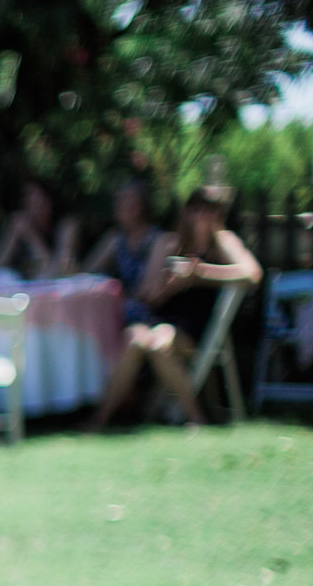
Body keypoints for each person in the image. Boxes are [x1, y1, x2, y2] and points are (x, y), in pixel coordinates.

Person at [88, 184, 263, 429]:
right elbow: (149, 295)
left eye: (210, 210)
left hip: (197, 327)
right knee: (133, 337)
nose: (202, 216)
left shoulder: (223, 241)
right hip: (164, 317)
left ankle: (195, 418)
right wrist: (171, 286)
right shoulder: (172, 242)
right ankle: (99, 420)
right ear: (187, 211)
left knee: (159, 343)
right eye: (196, 208)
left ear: (219, 214)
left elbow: (252, 274)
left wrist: (200, 273)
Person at [83, 178, 163, 325]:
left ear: (143, 205)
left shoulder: (159, 240)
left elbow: (149, 292)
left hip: (149, 316)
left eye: (128, 199)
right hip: (119, 308)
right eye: (119, 199)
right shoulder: (115, 239)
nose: (121, 204)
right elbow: (86, 274)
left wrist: (114, 297)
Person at [0, 178, 79, 280]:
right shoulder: (19, 228)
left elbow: (60, 272)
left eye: (41, 198)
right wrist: (12, 235)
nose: (37, 205)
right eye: (30, 199)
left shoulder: (66, 226)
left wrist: (33, 239)